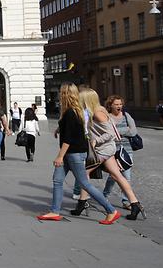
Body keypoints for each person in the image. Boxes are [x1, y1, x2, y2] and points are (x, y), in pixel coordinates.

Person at [38, 83, 120, 224]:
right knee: (57, 180)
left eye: (60, 92)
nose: (59, 94)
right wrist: (59, 129)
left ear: (65, 94)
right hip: (73, 152)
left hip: (73, 153)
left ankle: (111, 210)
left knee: (84, 183)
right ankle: (54, 211)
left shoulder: (71, 112)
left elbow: (69, 138)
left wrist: (60, 156)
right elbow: (74, 130)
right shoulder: (76, 110)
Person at [71, 89, 145, 221]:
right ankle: (135, 204)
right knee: (117, 176)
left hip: (103, 149)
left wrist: (95, 141)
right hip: (105, 149)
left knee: (84, 174)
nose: (79, 101)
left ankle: (82, 203)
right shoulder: (94, 110)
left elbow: (111, 133)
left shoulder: (98, 113)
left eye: (81, 99)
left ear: (86, 100)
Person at [102, 95, 139, 209]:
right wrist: (124, 131)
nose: (119, 106)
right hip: (112, 150)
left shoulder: (127, 116)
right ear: (110, 105)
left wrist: (117, 132)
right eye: (116, 104)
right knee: (113, 176)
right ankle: (104, 195)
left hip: (127, 150)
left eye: (120, 104)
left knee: (126, 176)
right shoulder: (107, 117)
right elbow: (107, 132)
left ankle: (126, 200)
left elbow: (133, 132)